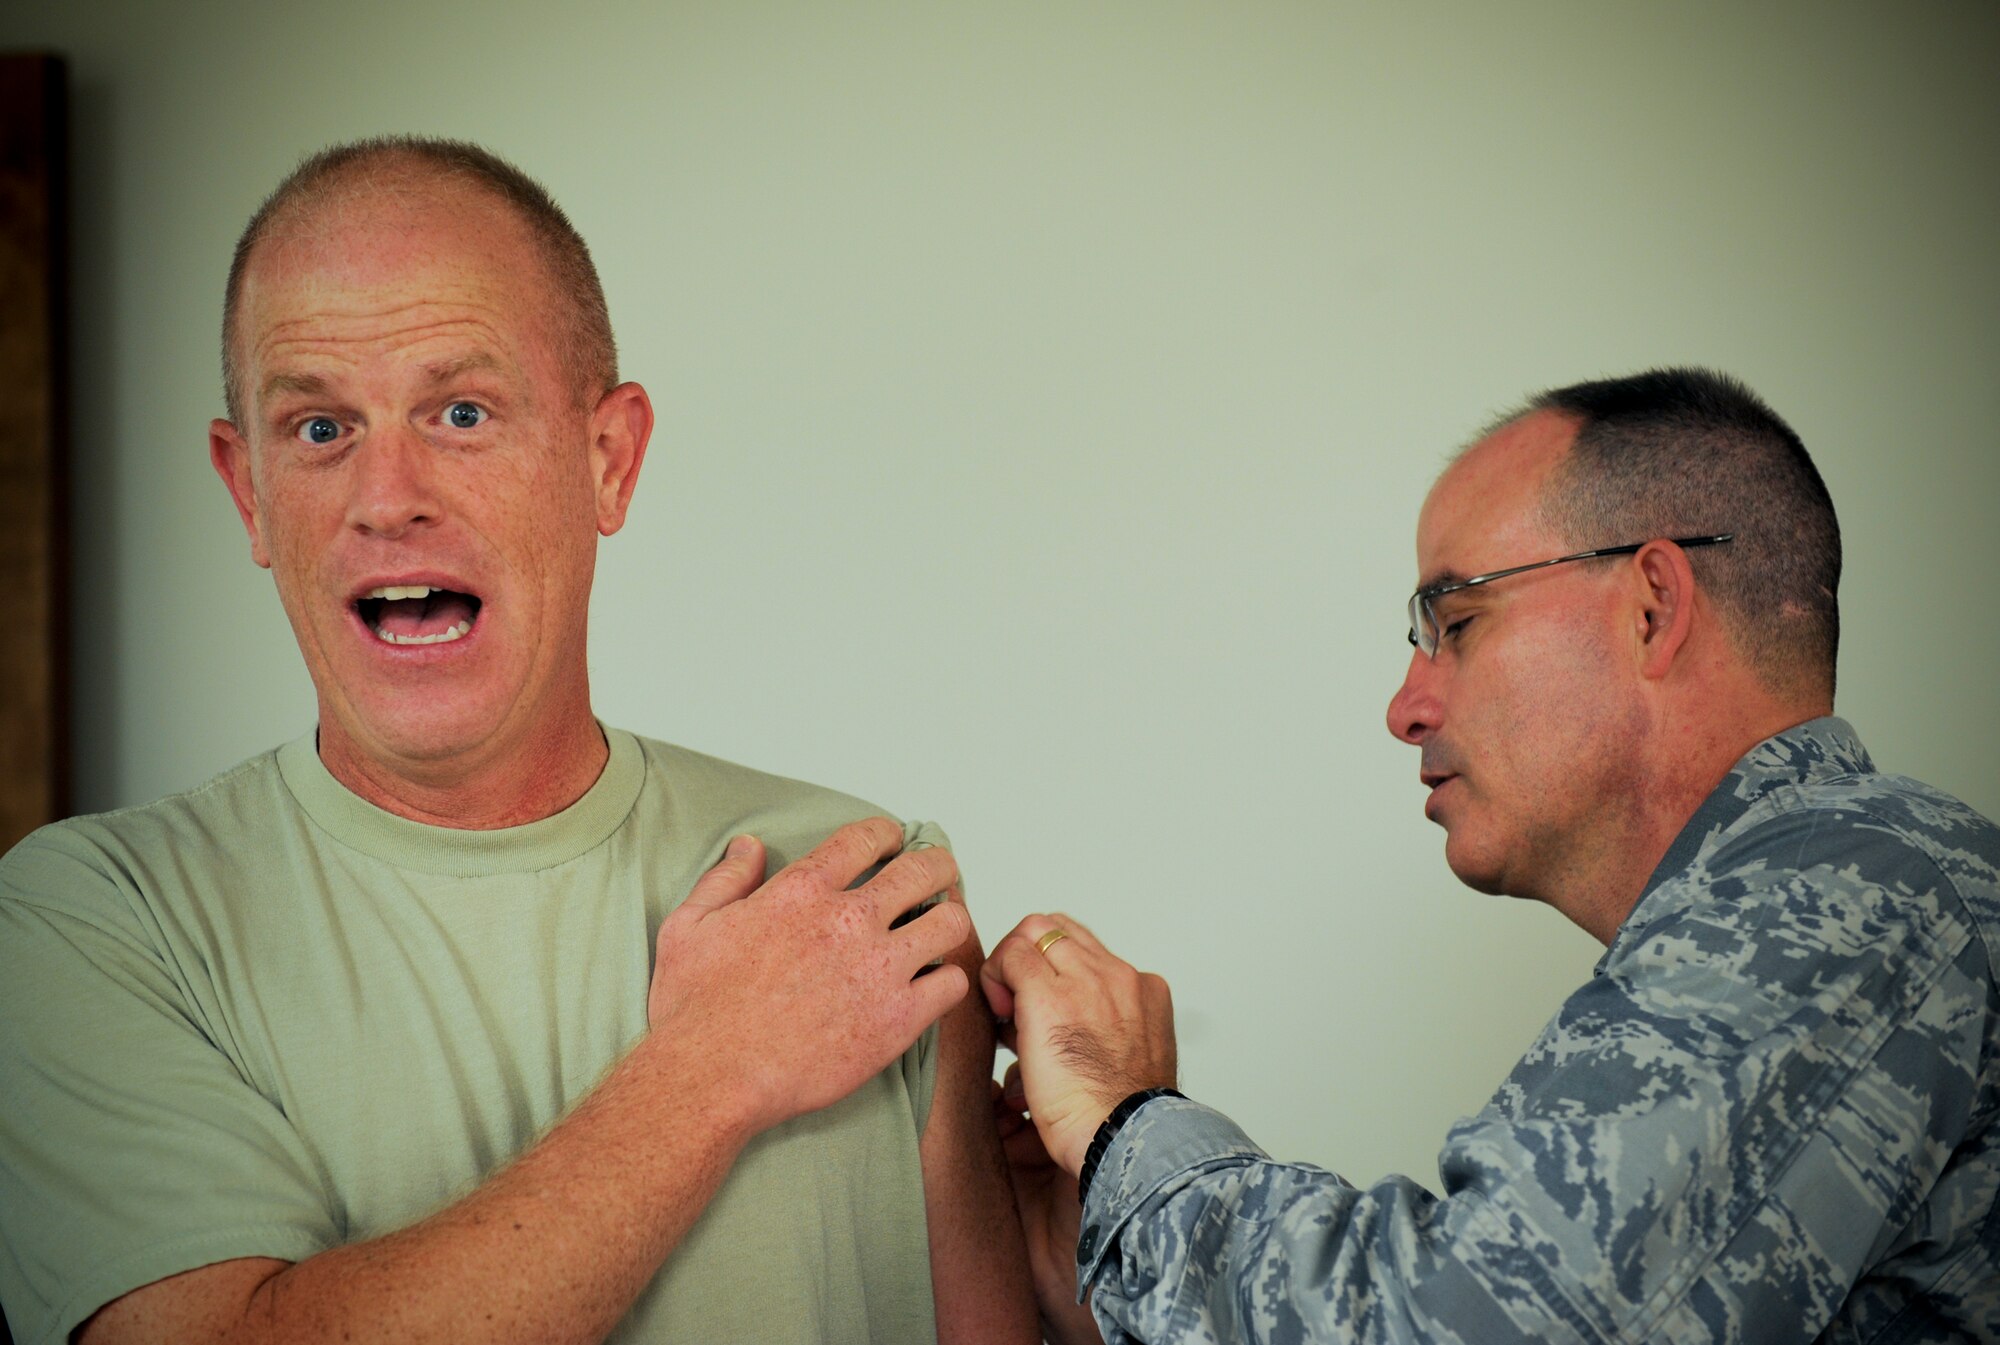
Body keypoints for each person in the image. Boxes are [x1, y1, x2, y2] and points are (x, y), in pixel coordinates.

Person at [0, 137, 1035, 1345]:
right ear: (249, 495)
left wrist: (1102, 1231)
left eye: (461, 410)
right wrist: (712, 1066)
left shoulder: (860, 895)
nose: (387, 495)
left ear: (608, 459)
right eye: (320, 428)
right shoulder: (90, 919)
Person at [984, 368, 2000, 1343]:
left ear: (1650, 605)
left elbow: (1460, 1324)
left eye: (1455, 621)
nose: (1404, 705)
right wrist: (1103, 1272)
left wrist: (1123, 1127)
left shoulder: (1860, 884)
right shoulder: (1858, 906)